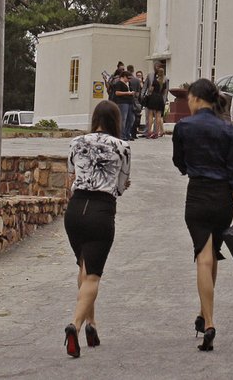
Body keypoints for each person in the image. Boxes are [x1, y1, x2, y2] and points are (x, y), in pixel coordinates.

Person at [172, 78, 233, 353]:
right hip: (222, 200)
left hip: (197, 195)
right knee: (212, 254)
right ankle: (204, 314)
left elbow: (179, 162)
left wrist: (192, 165)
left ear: (194, 98)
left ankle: (210, 322)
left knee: (203, 258)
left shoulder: (183, 127)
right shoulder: (227, 128)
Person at [63, 100, 131, 358]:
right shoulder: (122, 147)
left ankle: (92, 325)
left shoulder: (76, 142)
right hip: (101, 212)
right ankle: (75, 325)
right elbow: (121, 187)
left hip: (75, 209)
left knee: (83, 265)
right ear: (117, 121)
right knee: (93, 276)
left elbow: (71, 175)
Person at [142, 64, 169, 139]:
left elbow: (151, 89)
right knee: (158, 116)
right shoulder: (164, 81)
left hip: (153, 97)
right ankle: (156, 133)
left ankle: (149, 132)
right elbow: (164, 92)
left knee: (150, 115)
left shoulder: (155, 81)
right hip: (160, 98)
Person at [111, 67, 136, 141]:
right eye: (128, 78)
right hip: (122, 102)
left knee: (131, 119)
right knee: (123, 119)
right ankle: (122, 135)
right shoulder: (118, 83)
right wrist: (128, 93)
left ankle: (127, 133)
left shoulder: (128, 83)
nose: (129, 80)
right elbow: (117, 93)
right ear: (124, 77)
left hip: (129, 102)